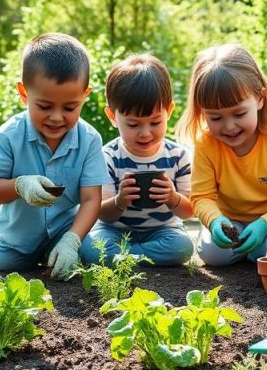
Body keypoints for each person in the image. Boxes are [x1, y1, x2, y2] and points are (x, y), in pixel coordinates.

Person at [0, 33, 108, 279]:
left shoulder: (90, 139)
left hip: (63, 231)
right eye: (45, 106)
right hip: (18, 239)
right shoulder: (9, 135)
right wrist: (20, 185)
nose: (57, 117)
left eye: (70, 107)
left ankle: (61, 249)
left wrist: (72, 240)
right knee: (4, 265)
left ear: (85, 95)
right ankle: (1, 244)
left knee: (91, 255)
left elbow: (92, 199)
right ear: (24, 93)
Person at [176, 43, 267, 266]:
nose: (229, 126)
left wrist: (265, 224)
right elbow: (201, 197)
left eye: (239, 113)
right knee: (212, 255)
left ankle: (255, 252)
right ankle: (244, 252)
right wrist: (215, 221)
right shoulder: (206, 145)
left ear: (260, 99)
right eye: (215, 118)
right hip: (230, 222)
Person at [79, 54, 194, 266]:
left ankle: (126, 259)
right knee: (91, 248)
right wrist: (120, 201)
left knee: (182, 247)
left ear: (169, 111)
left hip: (163, 231)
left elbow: (189, 211)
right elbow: (101, 214)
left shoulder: (179, 156)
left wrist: (172, 198)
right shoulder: (108, 157)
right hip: (114, 230)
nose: (145, 133)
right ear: (113, 117)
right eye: (133, 125)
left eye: (155, 122)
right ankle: (141, 259)